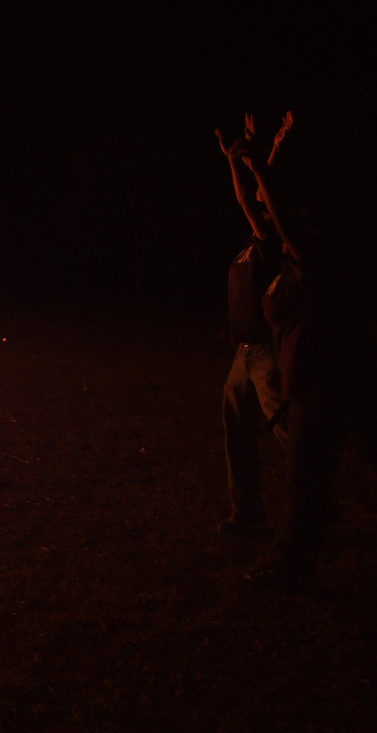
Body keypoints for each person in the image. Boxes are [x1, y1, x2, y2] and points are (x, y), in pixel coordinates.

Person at [229, 112, 374, 589]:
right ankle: (290, 562)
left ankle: (288, 565)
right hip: (327, 375)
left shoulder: (313, 259)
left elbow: (280, 215)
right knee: (320, 474)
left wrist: (261, 167)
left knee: (305, 481)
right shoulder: (290, 255)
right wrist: (252, 161)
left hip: (321, 377)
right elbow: (259, 209)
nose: (271, 217)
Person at [214, 113, 291, 537]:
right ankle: (247, 508)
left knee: (285, 426)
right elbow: (251, 195)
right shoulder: (251, 243)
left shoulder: (272, 241)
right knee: (237, 428)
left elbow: (251, 197)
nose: (254, 202)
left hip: (265, 351)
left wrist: (248, 157)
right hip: (243, 354)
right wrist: (238, 156)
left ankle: (316, 492)